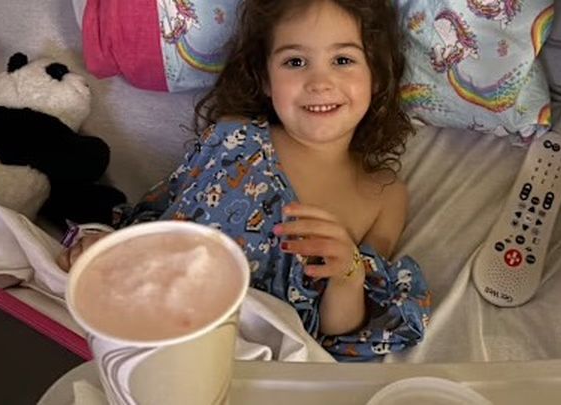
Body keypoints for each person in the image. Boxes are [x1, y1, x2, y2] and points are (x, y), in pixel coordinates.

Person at [58, 0, 431, 361]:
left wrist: (348, 272)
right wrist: (103, 244)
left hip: (260, 361)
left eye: (343, 60)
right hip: (155, 318)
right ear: (266, 80)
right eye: (295, 61)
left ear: (376, 75)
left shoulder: (385, 195)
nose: (319, 82)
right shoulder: (235, 138)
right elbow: (155, 225)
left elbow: (338, 332)